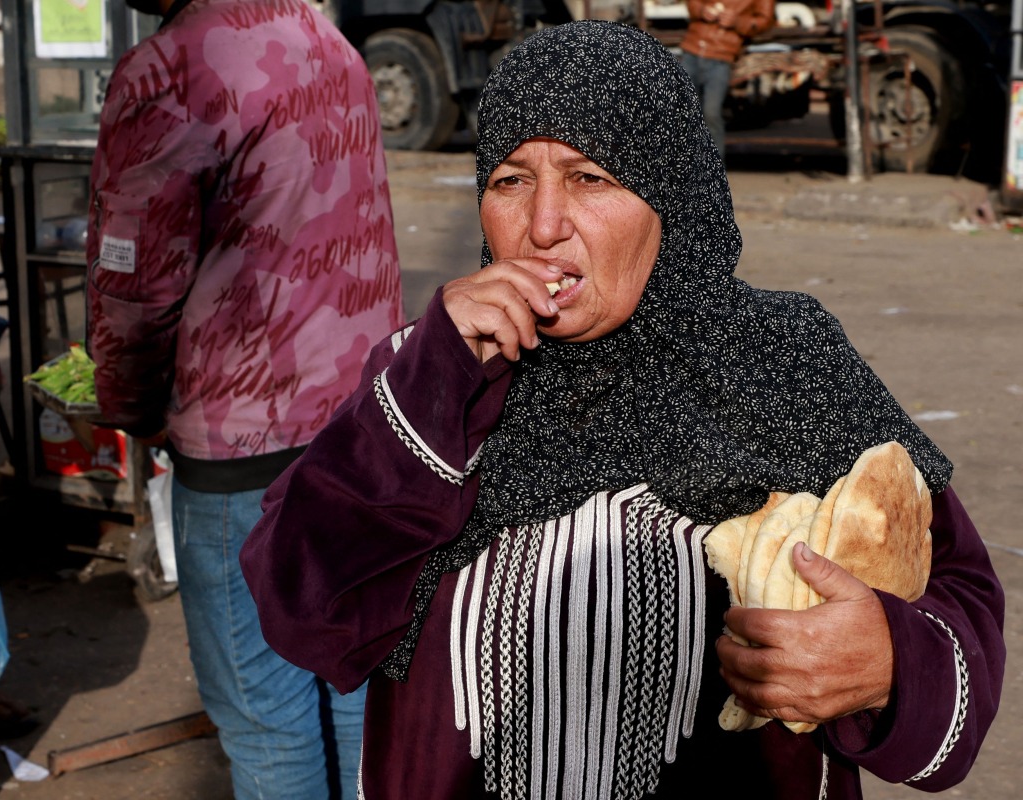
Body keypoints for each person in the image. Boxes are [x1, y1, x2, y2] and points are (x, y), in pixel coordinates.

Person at [239, 20, 1005, 799]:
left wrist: (887, 664)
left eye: (590, 177)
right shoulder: (430, 368)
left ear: (669, 192)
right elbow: (301, 610)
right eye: (509, 180)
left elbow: (957, 603)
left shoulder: (785, 364)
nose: (542, 226)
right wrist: (432, 386)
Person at [84, 0, 404, 797]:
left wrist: (125, 400)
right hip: (362, 429)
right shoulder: (327, 40)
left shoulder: (169, 70)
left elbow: (133, 280)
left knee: (267, 717)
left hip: (241, 445)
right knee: (353, 684)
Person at [679, 0, 775, 152]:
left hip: (722, 55)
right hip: (693, 47)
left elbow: (766, 20)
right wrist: (702, 10)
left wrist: (738, 22)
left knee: (711, 113)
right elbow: (692, 2)